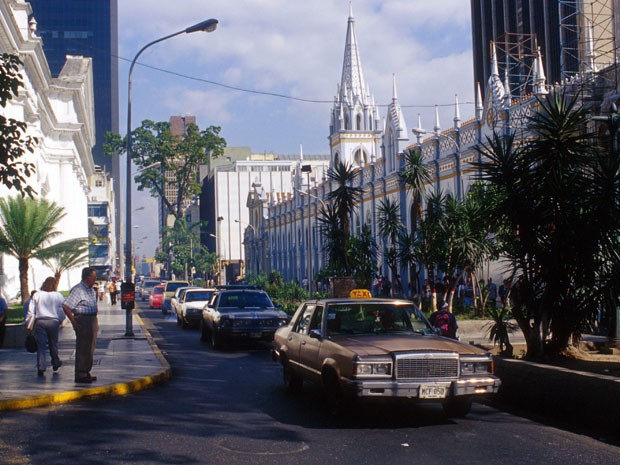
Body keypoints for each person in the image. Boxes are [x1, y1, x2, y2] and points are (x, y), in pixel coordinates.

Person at [62, 267, 99, 383]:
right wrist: (74, 322)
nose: (96, 279)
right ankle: (80, 373)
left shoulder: (91, 290)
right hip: (83, 320)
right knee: (83, 347)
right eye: (94, 276)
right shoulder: (78, 290)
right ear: (88, 278)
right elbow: (66, 306)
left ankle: (86, 371)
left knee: (90, 348)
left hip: (92, 320)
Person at [26, 277, 66, 377]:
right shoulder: (58, 296)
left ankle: (41, 367)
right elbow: (61, 310)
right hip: (53, 321)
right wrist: (60, 320)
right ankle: (55, 362)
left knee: (41, 345)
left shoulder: (37, 295)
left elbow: (31, 311)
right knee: (53, 344)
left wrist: (29, 324)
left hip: (41, 321)